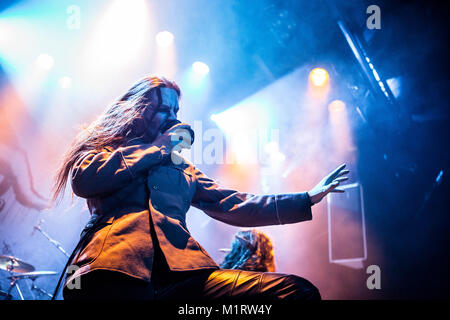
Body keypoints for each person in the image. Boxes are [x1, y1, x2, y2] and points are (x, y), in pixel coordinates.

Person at [52, 76, 348, 301]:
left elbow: (234, 203)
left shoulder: (180, 168)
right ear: (138, 111)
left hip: (182, 279)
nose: (172, 117)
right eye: (163, 109)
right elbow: (85, 180)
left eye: (175, 110)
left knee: (294, 292)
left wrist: (306, 199)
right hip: (114, 271)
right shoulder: (107, 149)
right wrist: (158, 148)